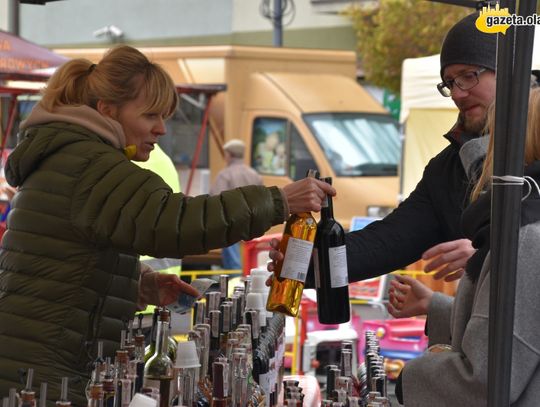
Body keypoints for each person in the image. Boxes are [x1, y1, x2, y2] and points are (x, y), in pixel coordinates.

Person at [0, 45, 334, 404]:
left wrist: (136, 283)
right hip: (47, 370)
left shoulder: (75, 157)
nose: (160, 129)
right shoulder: (93, 165)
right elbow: (175, 222)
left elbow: (64, 258)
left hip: (34, 359)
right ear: (107, 110)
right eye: (150, 116)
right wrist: (278, 201)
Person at [267, 12, 493, 285]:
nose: (457, 93)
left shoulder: (534, 149)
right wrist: (308, 261)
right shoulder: (447, 169)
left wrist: (491, 256)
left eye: (468, 76)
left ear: (510, 71)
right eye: (449, 83)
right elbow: (390, 240)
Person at [390, 87, 540, 406]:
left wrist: (410, 379)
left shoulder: (527, 233)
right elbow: (517, 334)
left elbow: (488, 378)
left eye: (495, 137)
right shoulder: (524, 220)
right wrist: (436, 306)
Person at [210, 138, 263, 269]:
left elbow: (214, 199)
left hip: (231, 225)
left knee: (233, 265)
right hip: (251, 224)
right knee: (250, 260)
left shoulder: (225, 175)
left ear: (229, 155)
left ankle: (234, 286)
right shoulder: (254, 174)